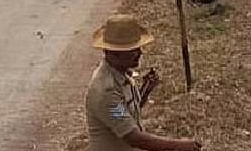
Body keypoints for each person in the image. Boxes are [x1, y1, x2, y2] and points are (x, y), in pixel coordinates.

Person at [84, 14, 202, 151]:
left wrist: (145, 91)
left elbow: (126, 113)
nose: (140, 53)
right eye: (133, 50)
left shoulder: (121, 73)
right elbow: (133, 137)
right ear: (113, 53)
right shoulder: (105, 91)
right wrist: (179, 146)